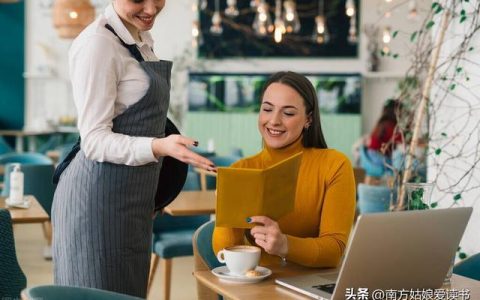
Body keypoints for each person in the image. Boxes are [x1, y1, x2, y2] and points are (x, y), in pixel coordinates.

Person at [51, 0, 214, 297]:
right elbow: (94, 140)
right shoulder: (98, 44)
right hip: (97, 200)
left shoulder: (139, 40)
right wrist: (159, 146)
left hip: (131, 198)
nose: (151, 9)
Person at [212, 71, 356, 268]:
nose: (274, 121)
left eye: (288, 113)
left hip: (313, 285)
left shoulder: (334, 165)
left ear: (308, 119)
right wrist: (225, 212)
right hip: (259, 284)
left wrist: (285, 245)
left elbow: (334, 251)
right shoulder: (243, 169)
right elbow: (225, 252)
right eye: (267, 109)